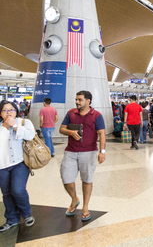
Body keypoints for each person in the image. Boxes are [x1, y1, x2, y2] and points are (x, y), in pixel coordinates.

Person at [59, 91, 106, 222]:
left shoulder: (96, 115)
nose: (77, 102)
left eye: (80, 100)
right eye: (76, 99)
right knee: (66, 178)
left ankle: (85, 207)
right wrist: (71, 132)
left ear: (88, 101)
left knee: (86, 179)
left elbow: (102, 133)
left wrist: (102, 151)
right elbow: (61, 129)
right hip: (71, 151)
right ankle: (74, 199)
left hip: (89, 152)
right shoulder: (71, 113)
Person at [0, 100, 36, 232]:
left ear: (16, 111)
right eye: (5, 110)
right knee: (7, 194)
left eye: (12, 109)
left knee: (18, 190)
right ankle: (12, 219)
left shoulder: (23, 122)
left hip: (19, 164)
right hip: (2, 166)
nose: (9, 112)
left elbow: (30, 135)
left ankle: (26, 214)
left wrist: (15, 126)